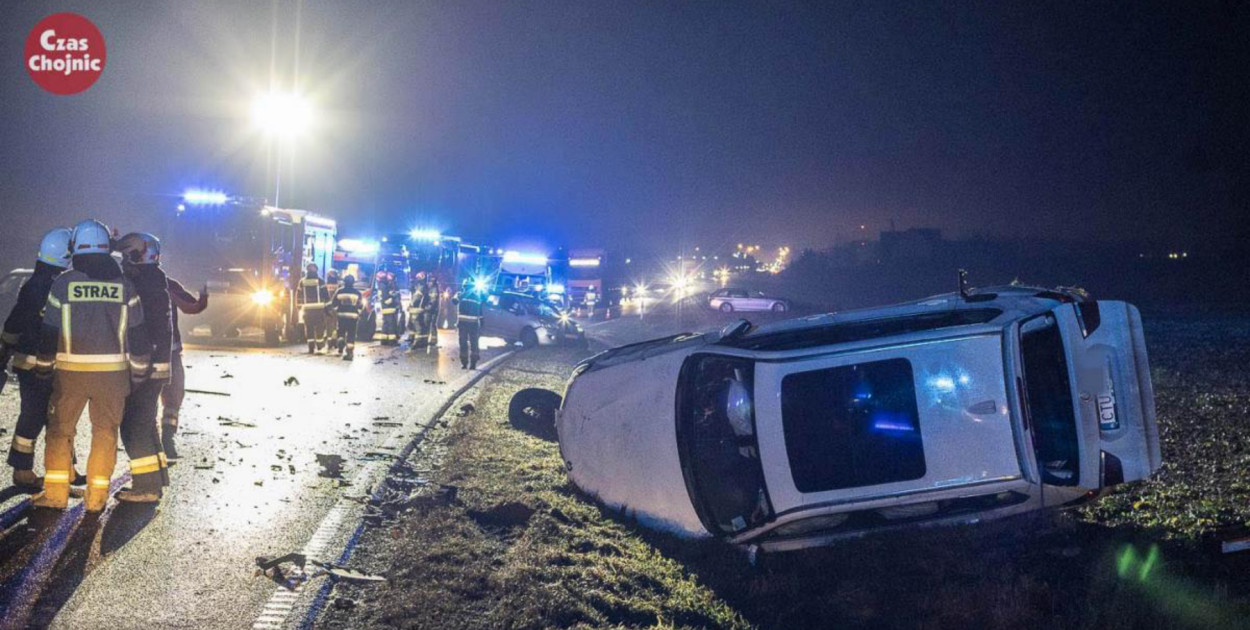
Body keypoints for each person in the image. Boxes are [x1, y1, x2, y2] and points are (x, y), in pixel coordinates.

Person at [33, 219, 150, 512]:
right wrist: (138, 373)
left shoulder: (64, 284)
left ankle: (56, 495)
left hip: (70, 376)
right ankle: (96, 499)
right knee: (105, 433)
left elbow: (48, 332)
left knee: (60, 431)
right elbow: (138, 336)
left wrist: (44, 367)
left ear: (75, 248)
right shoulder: (125, 286)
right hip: (113, 377)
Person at [2, 227, 85, 490]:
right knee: (39, 415)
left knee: (54, 417)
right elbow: (19, 322)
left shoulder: (39, 281)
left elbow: (14, 324)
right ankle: (23, 470)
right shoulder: (51, 284)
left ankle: (65, 468)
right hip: (39, 364)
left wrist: (5, 347)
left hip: (36, 362)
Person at [114, 232, 173, 503]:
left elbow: (141, 329)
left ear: (137, 256)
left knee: (133, 424)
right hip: (157, 365)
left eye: (127, 255)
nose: (124, 261)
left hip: (148, 366)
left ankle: (146, 486)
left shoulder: (144, 285)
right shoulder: (153, 279)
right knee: (145, 421)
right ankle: (156, 478)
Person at [162, 277, 208, 461]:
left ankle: (154, 440)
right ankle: (167, 438)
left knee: (145, 402)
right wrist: (203, 294)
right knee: (173, 397)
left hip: (140, 353)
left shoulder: (126, 282)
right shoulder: (168, 284)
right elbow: (193, 307)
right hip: (169, 353)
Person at [297, 263, 328, 353]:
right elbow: (325, 295)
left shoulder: (302, 281)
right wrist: (328, 309)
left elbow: (299, 295)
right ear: (316, 270)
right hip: (319, 309)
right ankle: (319, 346)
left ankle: (311, 347)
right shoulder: (320, 281)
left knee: (309, 328)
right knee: (319, 328)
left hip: (307, 310)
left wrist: (299, 307)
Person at [331, 274, 363, 361]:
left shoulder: (339, 291)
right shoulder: (357, 293)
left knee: (341, 331)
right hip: (353, 317)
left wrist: (337, 311)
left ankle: (341, 343)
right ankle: (349, 352)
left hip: (342, 316)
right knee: (351, 334)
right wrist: (358, 313)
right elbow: (360, 305)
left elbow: (333, 304)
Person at [452, 282, 483, 370]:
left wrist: (456, 294)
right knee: (474, 343)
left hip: (463, 323)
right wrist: (481, 324)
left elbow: (454, 301)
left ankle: (464, 363)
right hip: (474, 324)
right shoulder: (477, 297)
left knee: (463, 343)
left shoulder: (461, 295)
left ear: (464, 287)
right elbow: (480, 313)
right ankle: (473, 363)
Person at [377, 274, 401, 346]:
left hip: (384, 308)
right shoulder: (384, 286)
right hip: (389, 308)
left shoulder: (380, 286)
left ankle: (384, 340)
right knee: (391, 324)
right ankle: (392, 341)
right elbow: (387, 299)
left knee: (386, 324)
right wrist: (393, 299)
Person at [323, 268, 341, 353]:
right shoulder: (339, 285)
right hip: (336, 308)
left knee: (329, 326)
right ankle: (334, 341)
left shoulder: (325, 285)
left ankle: (330, 342)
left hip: (328, 308)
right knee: (335, 326)